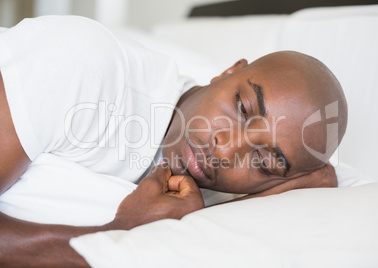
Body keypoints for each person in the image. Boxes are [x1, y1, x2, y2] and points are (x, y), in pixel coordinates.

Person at [0, 16, 347, 267]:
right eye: (242, 108)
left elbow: (320, 179)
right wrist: (119, 234)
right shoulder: (86, 66)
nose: (225, 150)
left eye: (264, 162)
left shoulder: (222, 186)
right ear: (228, 71)